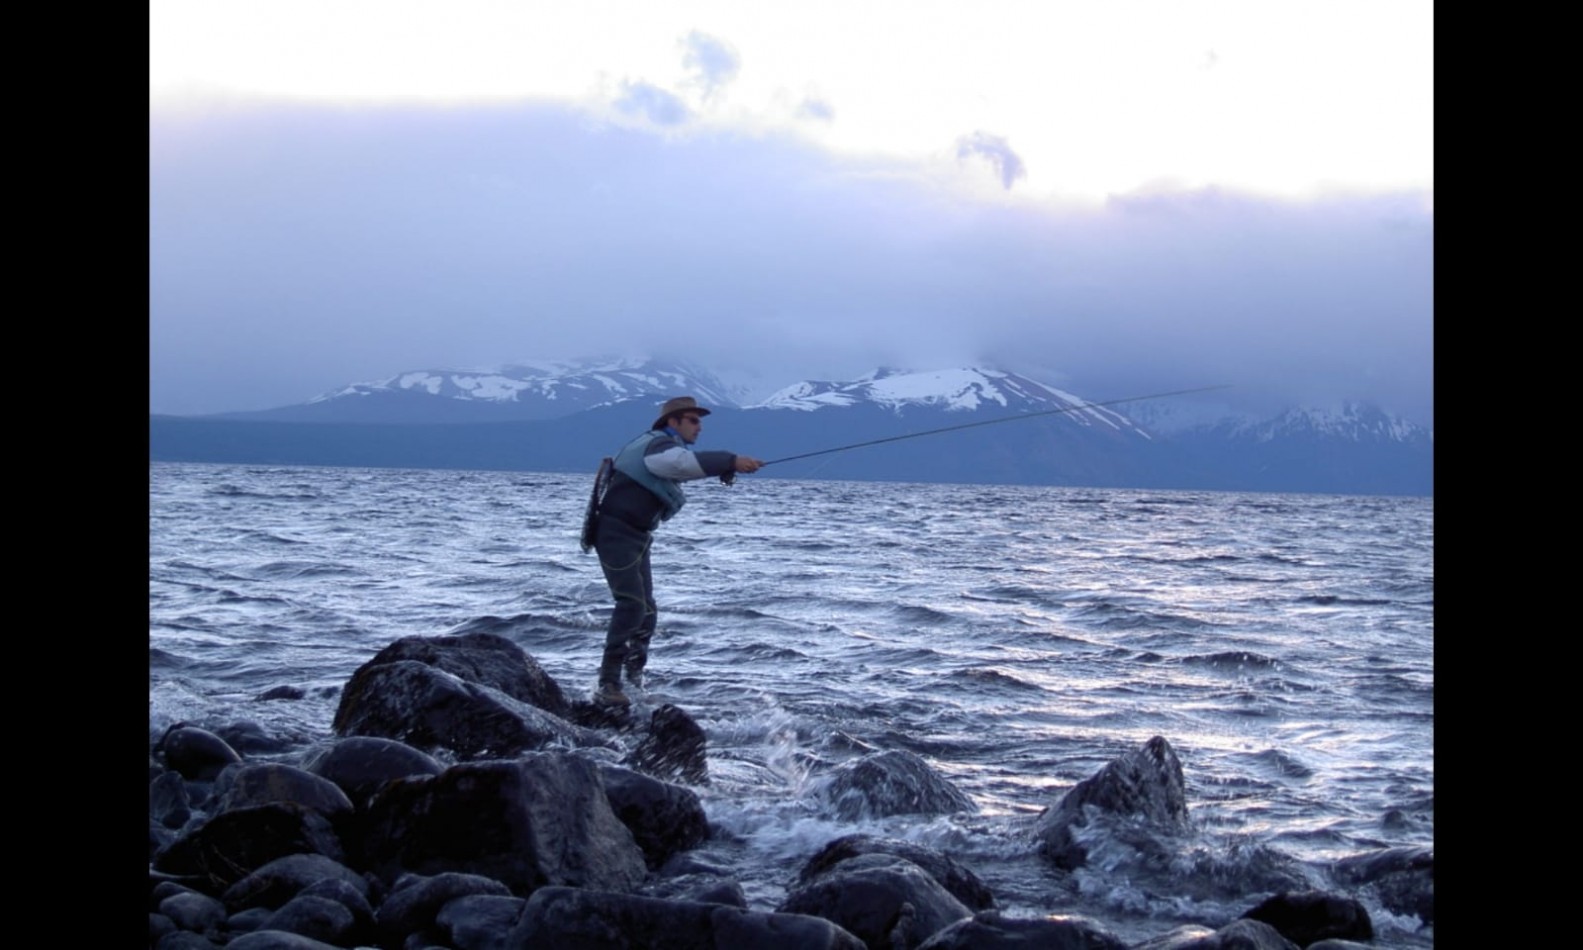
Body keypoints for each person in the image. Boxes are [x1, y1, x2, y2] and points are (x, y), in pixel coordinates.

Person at [588, 396, 763, 706]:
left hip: (636, 537)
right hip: (616, 535)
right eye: (693, 421)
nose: (700, 427)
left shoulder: (661, 446)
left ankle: (632, 682)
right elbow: (677, 465)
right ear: (673, 422)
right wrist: (731, 461)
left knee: (647, 610)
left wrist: (722, 468)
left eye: (700, 422)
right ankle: (608, 683)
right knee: (631, 605)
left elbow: (677, 470)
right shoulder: (657, 447)